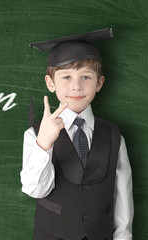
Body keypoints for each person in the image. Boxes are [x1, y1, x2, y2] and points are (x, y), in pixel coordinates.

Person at [20, 28, 134, 240]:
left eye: (85, 77)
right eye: (66, 77)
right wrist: (44, 144)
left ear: (99, 83)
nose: (76, 86)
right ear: (50, 83)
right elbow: (35, 190)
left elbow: (122, 198)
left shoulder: (114, 136)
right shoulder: (34, 134)